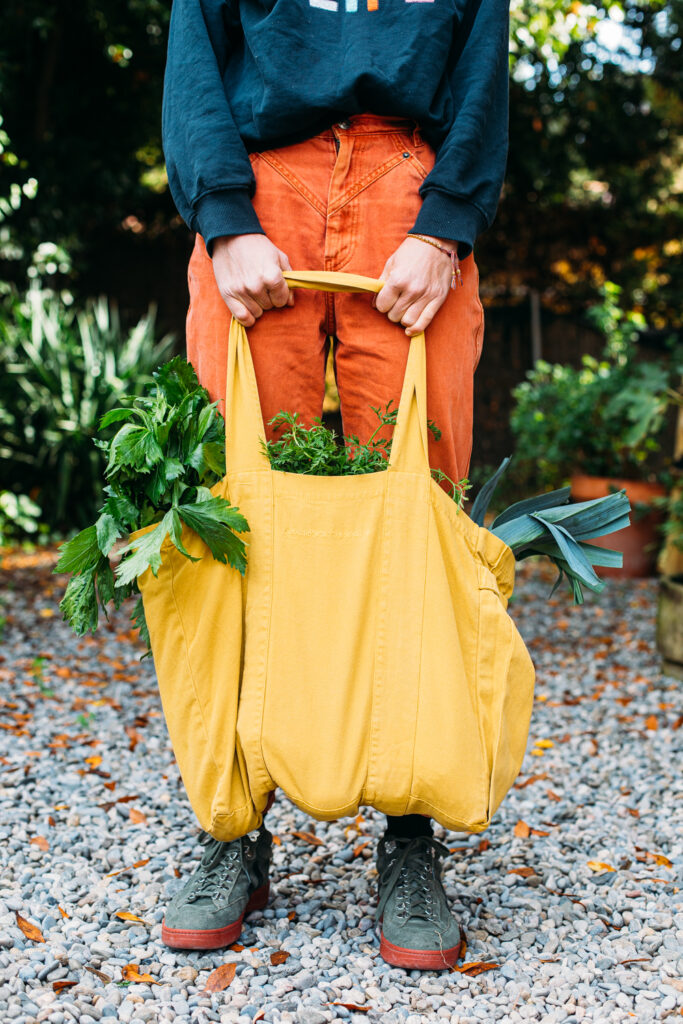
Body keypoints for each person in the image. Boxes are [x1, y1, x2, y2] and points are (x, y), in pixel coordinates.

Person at [160, 0, 509, 970]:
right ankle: (233, 829)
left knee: (418, 521)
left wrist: (442, 232)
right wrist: (223, 220)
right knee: (231, 518)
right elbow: (196, 55)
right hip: (257, 190)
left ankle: (408, 830)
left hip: (412, 188)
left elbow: (480, 78)